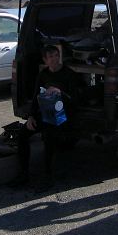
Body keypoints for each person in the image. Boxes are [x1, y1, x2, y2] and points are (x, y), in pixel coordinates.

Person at [11, 44, 83, 190]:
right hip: (45, 112)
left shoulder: (69, 74)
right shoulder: (43, 74)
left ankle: (48, 177)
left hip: (63, 114)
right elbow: (36, 96)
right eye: (51, 57)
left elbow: (75, 100)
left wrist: (60, 92)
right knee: (23, 134)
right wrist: (31, 116)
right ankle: (23, 174)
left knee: (49, 137)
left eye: (57, 56)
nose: (55, 59)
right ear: (45, 60)